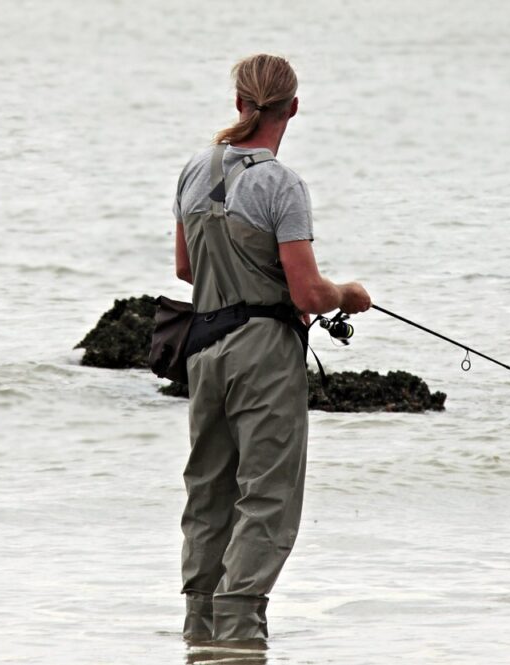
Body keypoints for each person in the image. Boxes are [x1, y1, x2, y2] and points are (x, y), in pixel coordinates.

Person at [172, 54, 371, 644]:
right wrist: (349, 295)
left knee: (208, 492)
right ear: (294, 108)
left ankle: (200, 631)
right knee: (268, 495)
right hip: (263, 352)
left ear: (239, 102)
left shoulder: (192, 170)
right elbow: (309, 293)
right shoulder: (281, 184)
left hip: (203, 348)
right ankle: (239, 630)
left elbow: (186, 269)